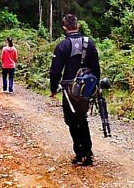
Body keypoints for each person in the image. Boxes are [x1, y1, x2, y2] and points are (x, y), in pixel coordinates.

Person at [49, 14, 100, 166]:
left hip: (69, 91)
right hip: (86, 89)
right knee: (82, 118)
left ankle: (80, 153)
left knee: (71, 120)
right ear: (78, 26)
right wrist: (95, 87)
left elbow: (55, 71)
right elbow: (96, 67)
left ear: (65, 28)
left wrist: (53, 88)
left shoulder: (63, 46)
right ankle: (88, 152)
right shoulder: (89, 43)